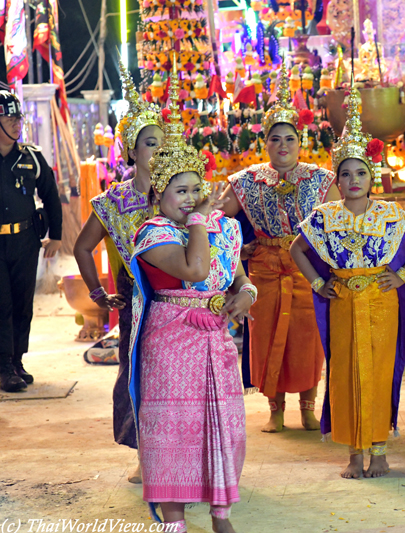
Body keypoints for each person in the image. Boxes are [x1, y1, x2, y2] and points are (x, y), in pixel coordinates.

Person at [128, 82, 253, 533]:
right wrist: (201, 219)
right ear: (158, 197)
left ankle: (222, 514)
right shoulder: (152, 235)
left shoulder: (219, 228)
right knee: (172, 432)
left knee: (223, 425)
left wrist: (246, 293)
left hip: (215, 338)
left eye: (195, 190)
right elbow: (196, 271)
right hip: (171, 339)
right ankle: (174, 522)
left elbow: (236, 274)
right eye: (179, 191)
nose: (189, 199)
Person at [290, 90, 405, 479]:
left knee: (379, 370)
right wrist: (319, 281)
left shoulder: (389, 213)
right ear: (336, 178)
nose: (353, 180)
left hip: (381, 300)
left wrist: (402, 275)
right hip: (341, 300)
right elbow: (296, 250)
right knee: (343, 372)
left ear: (373, 177)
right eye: (346, 174)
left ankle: (380, 450)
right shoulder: (323, 215)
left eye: (361, 173)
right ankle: (354, 452)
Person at [222, 61, 340, 432]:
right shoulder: (246, 181)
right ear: (265, 143)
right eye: (275, 139)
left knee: (308, 338)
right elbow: (216, 221)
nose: (283, 145)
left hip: (306, 268)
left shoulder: (323, 179)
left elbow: (339, 224)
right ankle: (275, 409)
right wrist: (234, 253)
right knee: (267, 336)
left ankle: (308, 406)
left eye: (290, 139)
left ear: (300, 143)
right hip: (266, 268)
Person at [73, 65, 164, 482]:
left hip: (178, 302)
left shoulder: (179, 193)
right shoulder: (112, 202)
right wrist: (96, 292)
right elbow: (81, 246)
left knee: (177, 379)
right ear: (131, 150)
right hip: (135, 305)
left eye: (162, 143)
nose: (156, 151)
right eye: (149, 143)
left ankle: (180, 453)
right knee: (139, 376)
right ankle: (147, 456)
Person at [0, 90, 62, 392]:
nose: (16, 123)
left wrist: (57, 236)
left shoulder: (31, 157)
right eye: (9, 118)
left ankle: (17, 361)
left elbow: (50, 195)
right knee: (2, 303)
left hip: (25, 240)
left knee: (24, 302)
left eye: (18, 117)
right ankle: (3, 365)